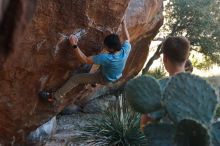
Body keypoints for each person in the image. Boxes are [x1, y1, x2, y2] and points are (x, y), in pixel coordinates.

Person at [39, 19, 131, 103]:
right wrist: (124, 23)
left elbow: (84, 60)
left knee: (76, 79)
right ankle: (93, 81)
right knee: (101, 64)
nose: (104, 47)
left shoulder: (106, 58)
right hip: (114, 74)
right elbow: (127, 38)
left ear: (111, 48)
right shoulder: (126, 49)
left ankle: (54, 97)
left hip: (104, 78)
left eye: (106, 46)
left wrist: (74, 45)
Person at [140, 36, 191, 130]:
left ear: (165, 58)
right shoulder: (199, 88)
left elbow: (144, 125)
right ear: (186, 57)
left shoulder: (157, 88)